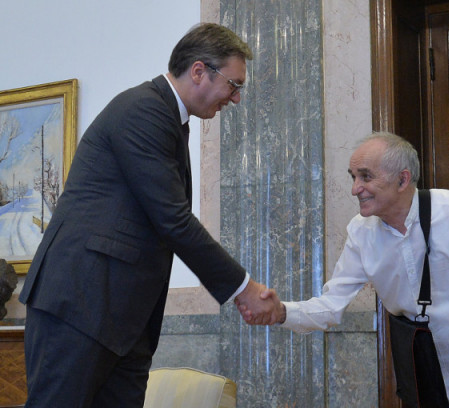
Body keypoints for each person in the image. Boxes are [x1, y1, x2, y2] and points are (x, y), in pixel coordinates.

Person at [19, 23, 281, 408]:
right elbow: (173, 220)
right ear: (199, 71)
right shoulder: (143, 109)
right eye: (234, 84)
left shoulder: (167, 118)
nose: (237, 97)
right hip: (81, 306)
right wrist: (244, 288)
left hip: (122, 322)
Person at [237, 132, 449, 407]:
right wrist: (281, 312)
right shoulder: (360, 233)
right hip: (427, 374)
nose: (355, 189)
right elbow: (331, 306)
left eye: (365, 177)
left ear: (402, 179)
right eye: (353, 177)